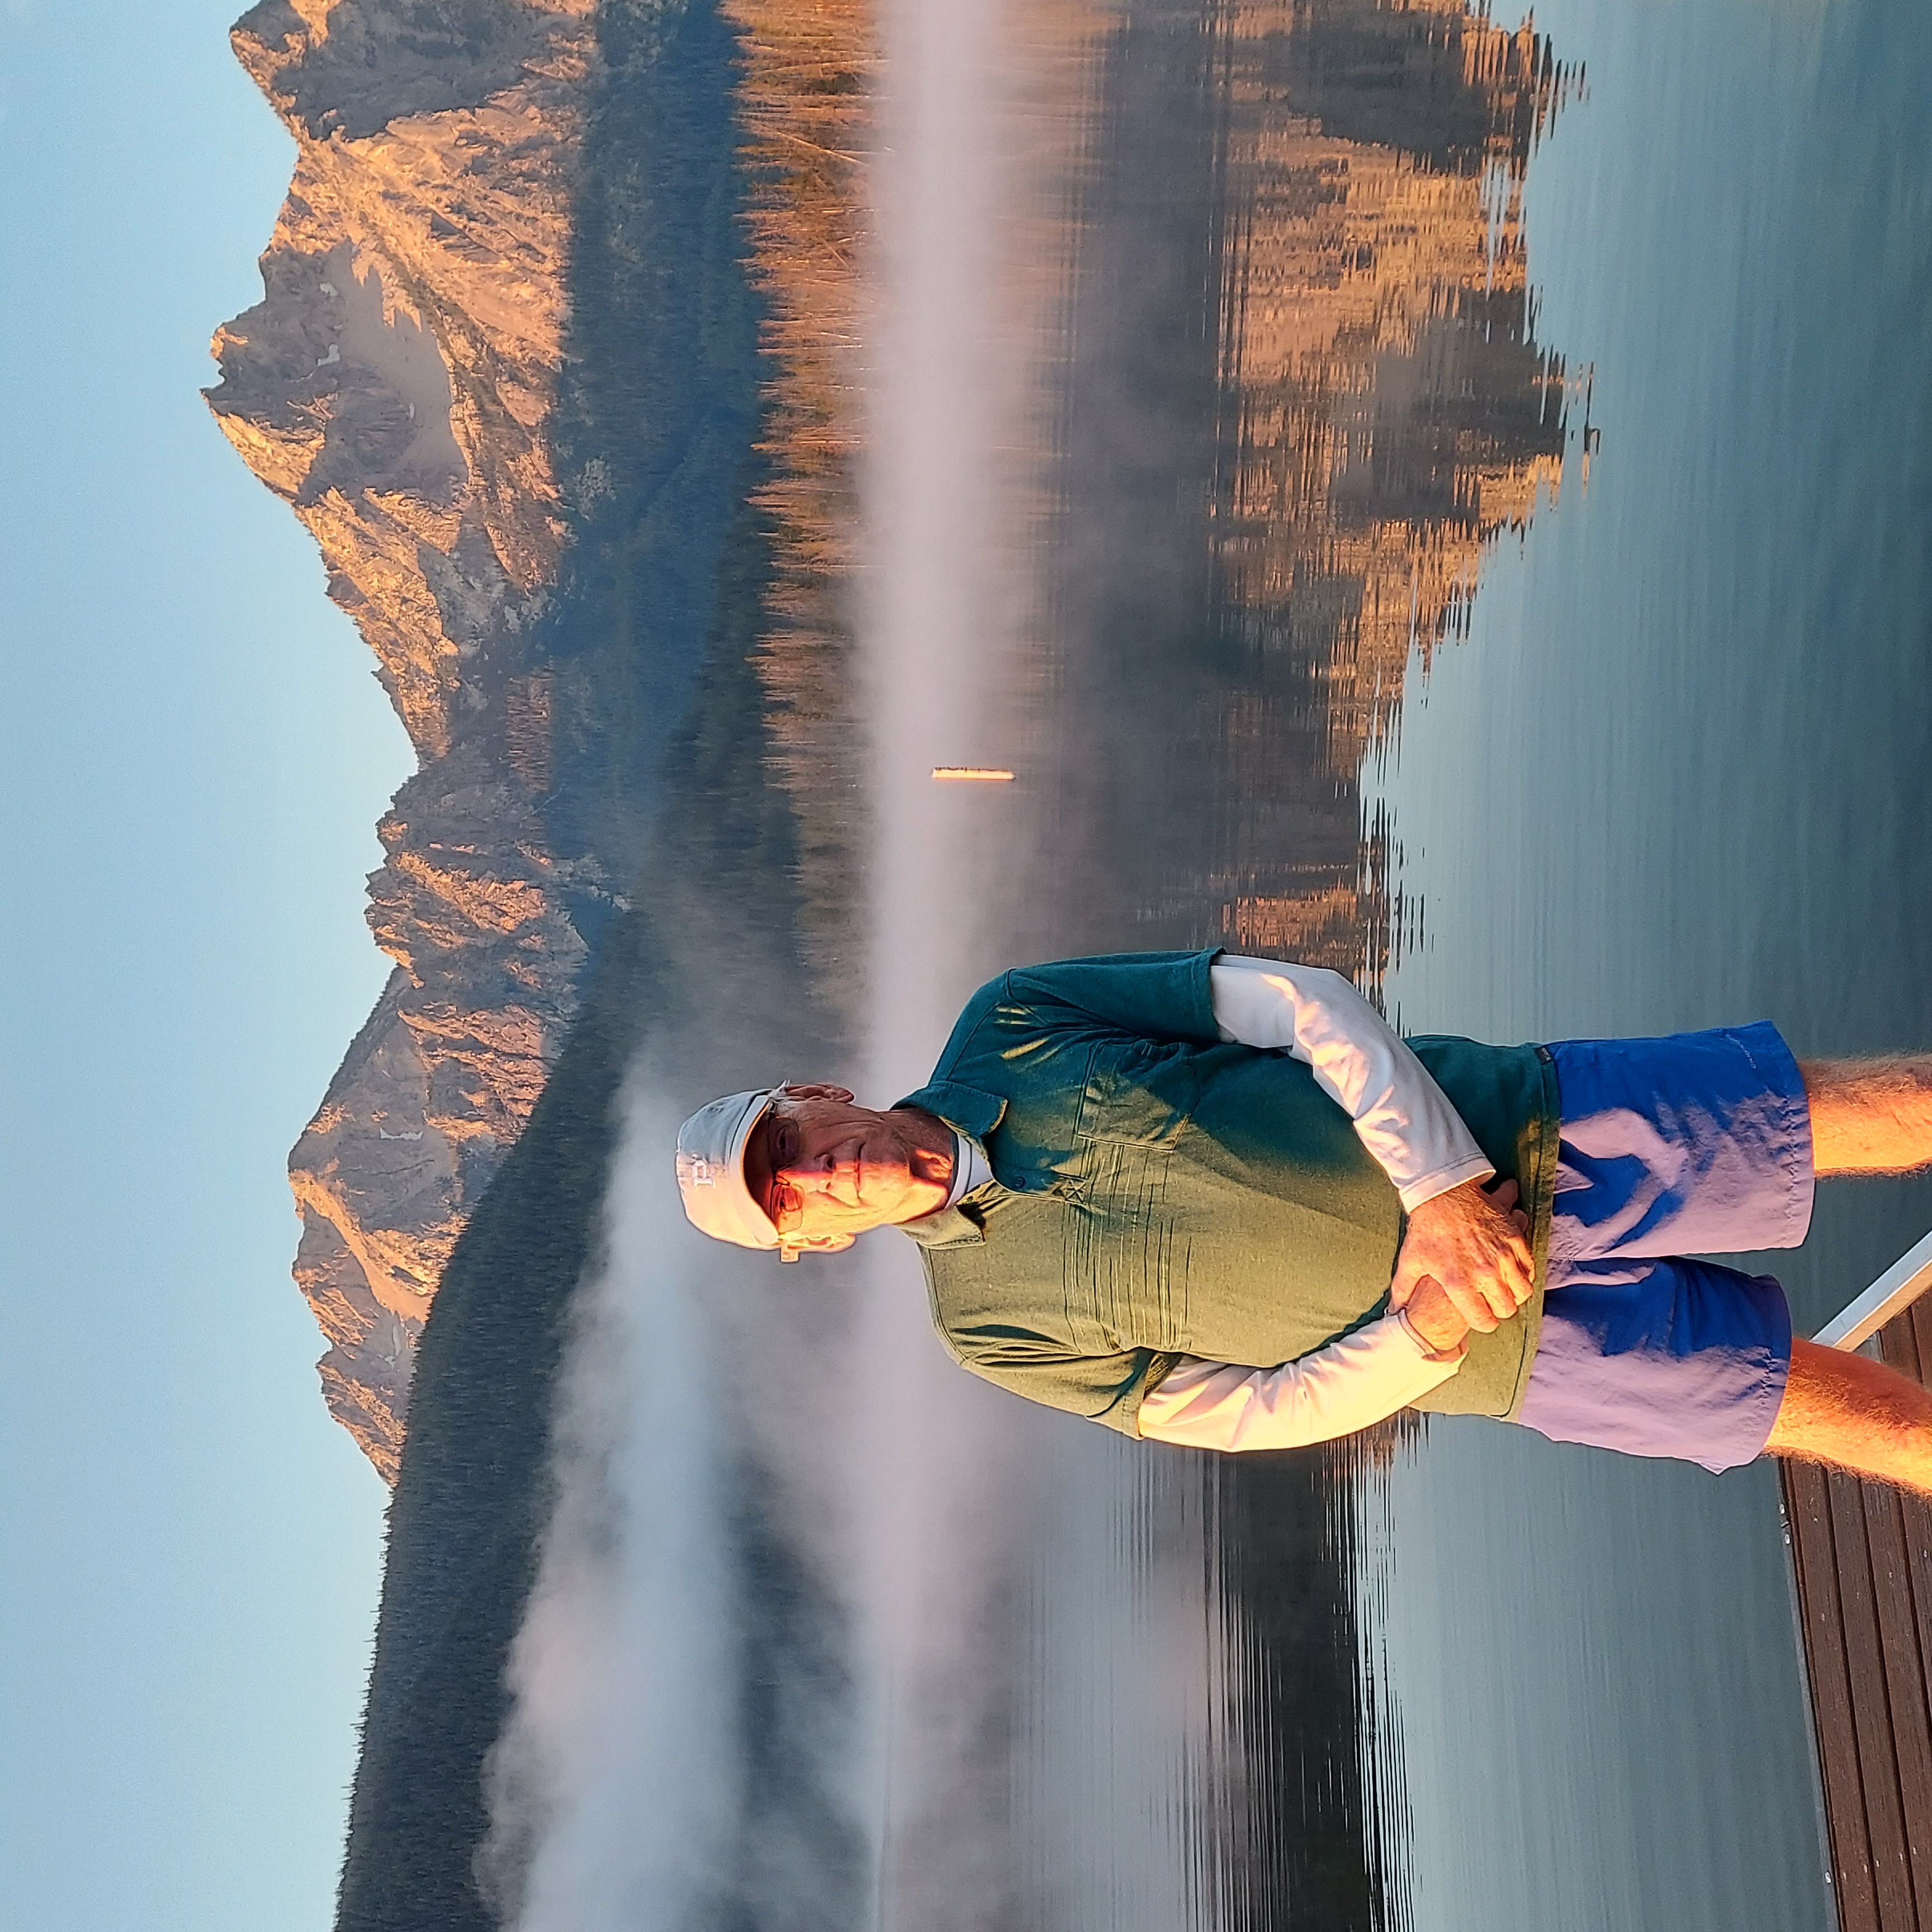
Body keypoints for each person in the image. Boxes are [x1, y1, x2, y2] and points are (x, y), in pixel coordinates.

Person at [675, 950, 1932, 1490]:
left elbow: (1297, 1003)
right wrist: (1425, 1334)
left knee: (1873, 1112)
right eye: (788, 1203)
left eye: (787, 1145)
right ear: (816, 1246)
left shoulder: (1014, 1019)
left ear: (816, 1095)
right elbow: (1239, 1415)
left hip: (1536, 1127)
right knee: (1844, 1416)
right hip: (1504, 1352)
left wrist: (1443, 1192)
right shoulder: (987, 1330)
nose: (818, 1176)